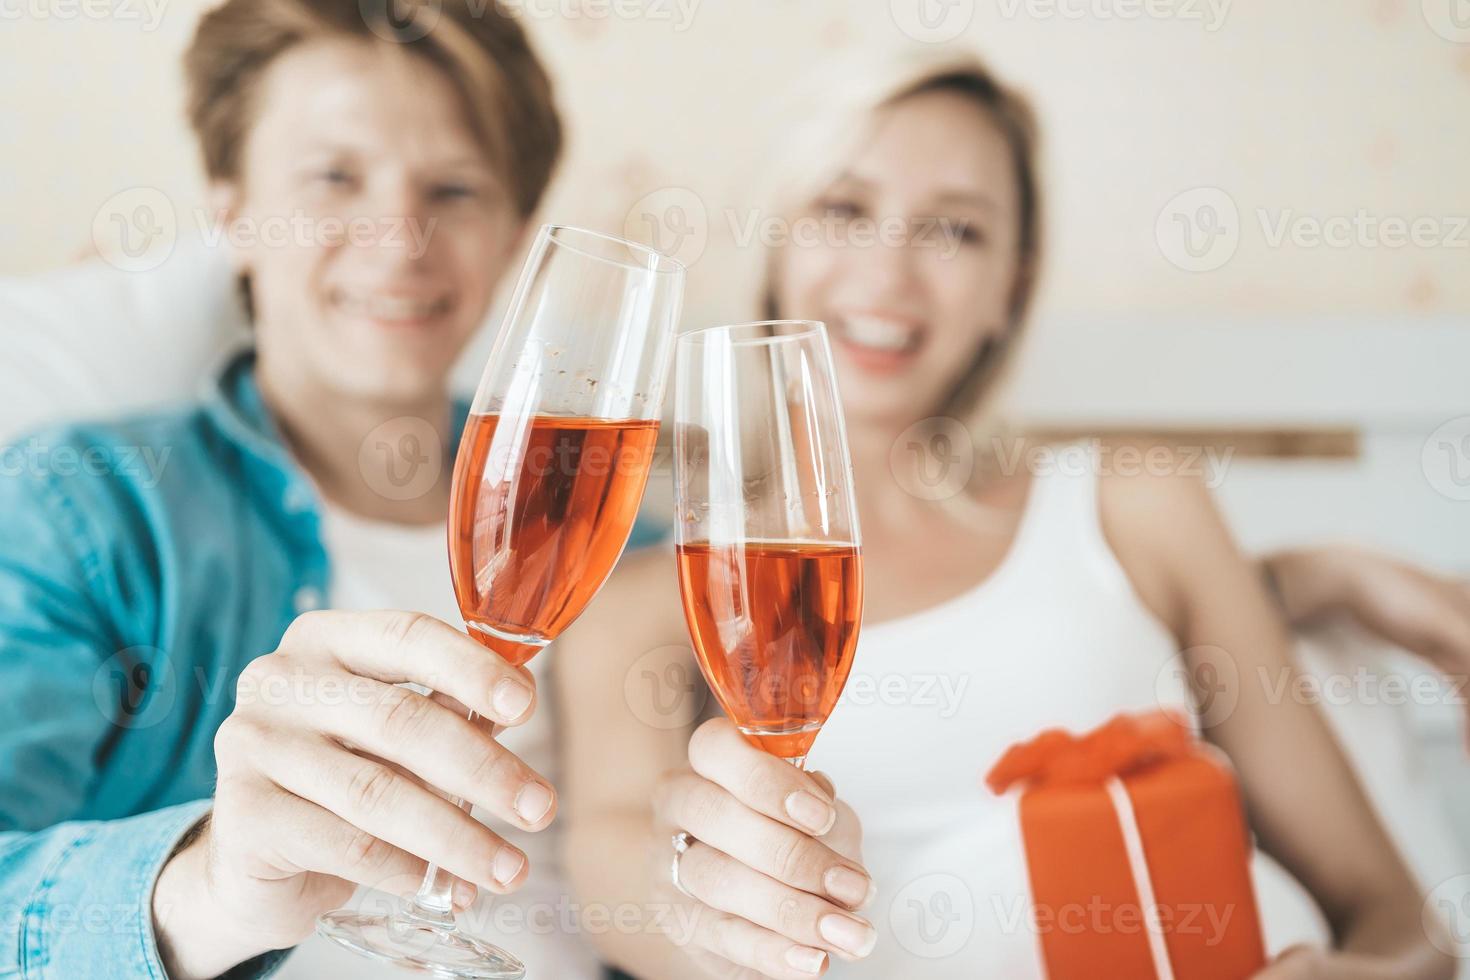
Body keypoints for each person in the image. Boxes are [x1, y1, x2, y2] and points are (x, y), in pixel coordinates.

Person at [554, 50, 1460, 980]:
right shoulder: (650, 610)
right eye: (844, 209)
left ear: (1011, 291)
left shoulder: (1135, 507)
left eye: (954, 230)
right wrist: (711, 916)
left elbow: (1401, 926)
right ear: (777, 240)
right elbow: (621, 879)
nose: (890, 273)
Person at [0, 1, 634, 977]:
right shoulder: (82, 506)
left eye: (456, 189)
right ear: (231, 211)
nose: (400, 241)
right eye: (335, 177)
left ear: (516, 237)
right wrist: (204, 888)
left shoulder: (619, 524)